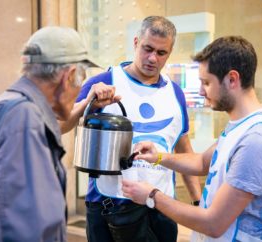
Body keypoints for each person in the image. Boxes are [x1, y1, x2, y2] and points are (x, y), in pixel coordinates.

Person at [122, 36, 262, 241]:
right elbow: (203, 161)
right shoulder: (241, 127)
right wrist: (158, 157)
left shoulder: (257, 140)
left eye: (206, 82)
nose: (200, 91)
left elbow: (213, 223)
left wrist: (152, 196)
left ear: (232, 79)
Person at [62, 16, 201, 242]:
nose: (152, 58)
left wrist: (197, 201)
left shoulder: (175, 92)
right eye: (147, 48)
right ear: (136, 43)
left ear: (170, 52)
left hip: (161, 207)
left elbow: (184, 149)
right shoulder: (104, 82)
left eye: (161, 53)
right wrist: (88, 101)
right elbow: (63, 124)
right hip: (109, 206)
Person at [0, 26, 114, 241]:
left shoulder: (10, 105)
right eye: (81, 80)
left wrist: (86, 104)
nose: (79, 89)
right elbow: (27, 228)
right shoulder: (25, 121)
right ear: (70, 76)